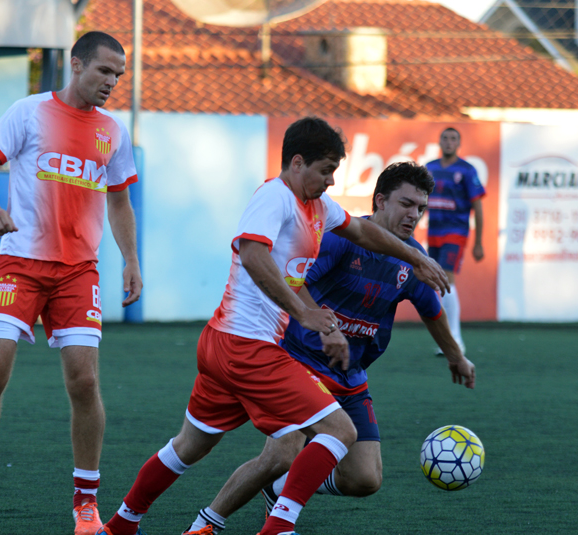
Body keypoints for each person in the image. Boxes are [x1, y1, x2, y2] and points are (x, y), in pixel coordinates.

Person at [94, 119, 450, 535]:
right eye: (325, 170)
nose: (331, 181)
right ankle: (278, 527)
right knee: (339, 430)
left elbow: (363, 232)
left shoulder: (317, 207)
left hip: (222, 343)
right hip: (249, 347)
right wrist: (306, 315)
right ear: (296, 163)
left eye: (335, 171)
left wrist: (416, 257)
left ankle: (122, 523)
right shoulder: (274, 197)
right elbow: (252, 254)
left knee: (189, 447)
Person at [182, 161, 476, 535]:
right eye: (406, 204)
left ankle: (278, 492)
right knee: (281, 453)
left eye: (420, 207)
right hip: (299, 361)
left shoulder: (411, 258)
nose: (413, 215)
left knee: (365, 478)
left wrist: (456, 357)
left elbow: (432, 312)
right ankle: (207, 523)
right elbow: (295, 278)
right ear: (381, 201)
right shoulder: (341, 238)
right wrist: (315, 320)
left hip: (350, 376)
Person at [0, 31, 141, 535]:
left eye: (118, 75)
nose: (111, 82)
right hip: (20, 264)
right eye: (104, 71)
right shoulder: (28, 112)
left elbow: (118, 201)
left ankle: (86, 504)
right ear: (76, 65)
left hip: (78, 272)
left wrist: (131, 260)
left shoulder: (113, 132)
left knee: (85, 381)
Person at [426, 127, 485, 354]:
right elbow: (421, 202)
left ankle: (456, 340)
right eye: (445, 138)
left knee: (447, 278)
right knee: (436, 282)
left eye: (453, 139)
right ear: (439, 141)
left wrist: (478, 242)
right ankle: (446, 340)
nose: (449, 142)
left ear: (459, 144)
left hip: (456, 232)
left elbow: (478, 207)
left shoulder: (467, 170)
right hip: (434, 233)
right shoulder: (430, 168)